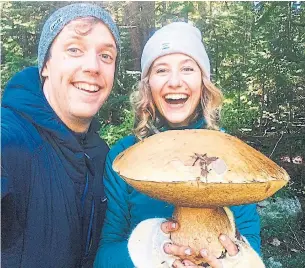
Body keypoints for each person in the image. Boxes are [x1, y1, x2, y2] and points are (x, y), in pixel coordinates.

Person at [94, 22, 265, 268]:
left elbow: (250, 239)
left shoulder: (231, 153)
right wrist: (149, 248)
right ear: (148, 84)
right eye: (161, 70)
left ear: (203, 82)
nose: (175, 81)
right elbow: (104, 257)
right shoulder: (123, 157)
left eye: (187, 68)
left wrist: (237, 260)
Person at [1, 3, 120, 267]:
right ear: (45, 65)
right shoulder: (9, 141)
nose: (93, 66)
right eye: (74, 49)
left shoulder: (102, 158)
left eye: (106, 56)